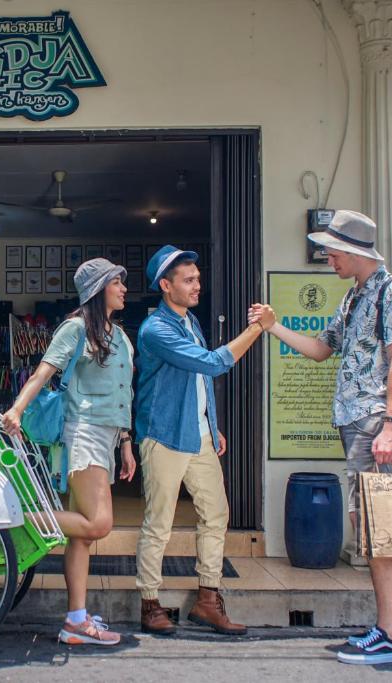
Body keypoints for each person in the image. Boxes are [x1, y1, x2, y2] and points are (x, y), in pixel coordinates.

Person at [249, 210, 392, 665]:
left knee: (378, 525)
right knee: (390, 525)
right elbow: (321, 350)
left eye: (332, 250)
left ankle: (388, 634)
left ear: (354, 251)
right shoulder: (353, 298)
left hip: (373, 423)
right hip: (360, 423)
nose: (327, 258)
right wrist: (273, 325)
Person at [134, 245, 272, 636]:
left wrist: (212, 425)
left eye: (197, 278)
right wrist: (257, 328)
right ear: (165, 285)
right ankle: (150, 603)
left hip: (199, 435)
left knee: (216, 514)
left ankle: (208, 601)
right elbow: (211, 363)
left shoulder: (190, 320)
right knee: (158, 523)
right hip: (163, 435)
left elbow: (200, 379)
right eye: (188, 280)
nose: (198, 285)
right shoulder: (156, 329)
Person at [2, 258, 137, 647]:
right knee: (98, 524)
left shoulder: (119, 335)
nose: (124, 288)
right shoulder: (76, 329)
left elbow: (122, 394)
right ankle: (14, 519)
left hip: (108, 437)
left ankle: (76, 621)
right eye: (117, 282)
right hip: (84, 435)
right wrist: (17, 408)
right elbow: (43, 372)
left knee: (82, 535)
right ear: (98, 289)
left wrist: (126, 444)